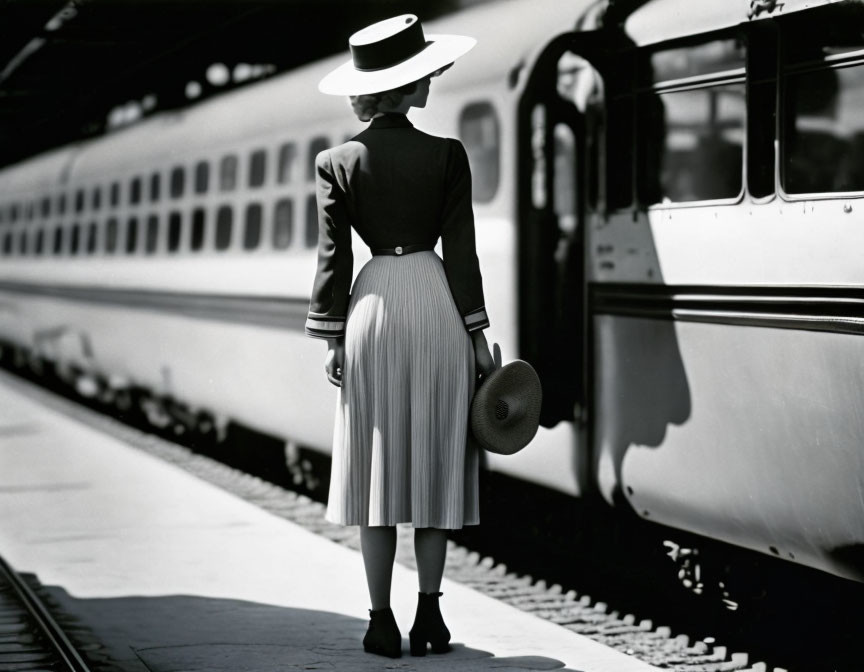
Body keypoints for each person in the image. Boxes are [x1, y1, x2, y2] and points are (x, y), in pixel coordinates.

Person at [305, 14, 495, 659]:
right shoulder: (446, 155)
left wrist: (334, 338)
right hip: (437, 301)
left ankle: (380, 622)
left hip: (373, 307)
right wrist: (476, 338)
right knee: (436, 469)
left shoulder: (336, 162)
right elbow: (463, 252)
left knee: (377, 475)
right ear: (407, 85)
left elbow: (333, 261)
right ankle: (431, 620)